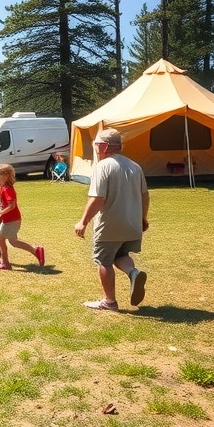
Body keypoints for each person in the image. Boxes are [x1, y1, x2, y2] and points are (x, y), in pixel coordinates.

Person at [74, 127, 149, 311]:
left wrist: (83, 221)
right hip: (132, 224)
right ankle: (133, 272)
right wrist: (143, 218)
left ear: (105, 146)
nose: (96, 149)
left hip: (110, 225)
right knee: (120, 255)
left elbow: (98, 198)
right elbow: (145, 196)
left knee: (104, 261)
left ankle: (109, 301)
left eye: (97, 145)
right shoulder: (134, 166)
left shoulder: (103, 166)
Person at [0, 164, 45, 271]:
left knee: (1, 240)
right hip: (10, 219)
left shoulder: (7, 189)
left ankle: (6, 264)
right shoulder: (2, 187)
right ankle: (36, 251)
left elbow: (12, 205)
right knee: (12, 242)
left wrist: (1, 213)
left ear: (6, 176)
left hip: (12, 220)